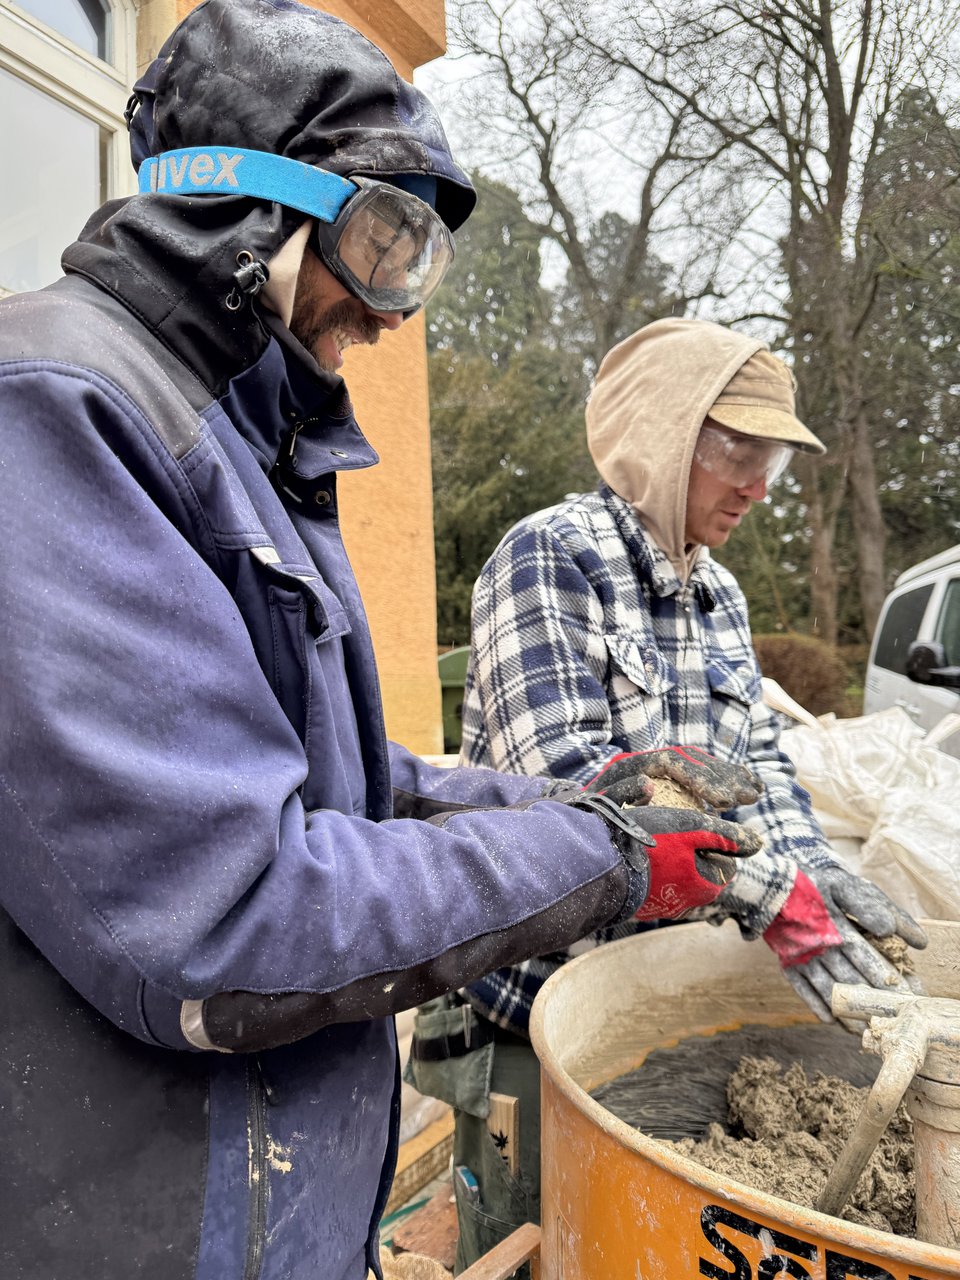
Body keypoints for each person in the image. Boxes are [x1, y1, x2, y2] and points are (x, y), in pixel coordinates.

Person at [0, 9, 771, 1280]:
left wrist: (575, 807)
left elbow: (346, 786)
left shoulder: (244, 451)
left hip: (280, 1211)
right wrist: (598, 859)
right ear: (241, 209)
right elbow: (230, 909)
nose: (394, 306)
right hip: (137, 1226)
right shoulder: (61, 416)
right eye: (383, 240)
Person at [436, 317, 926, 1270]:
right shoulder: (551, 559)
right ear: (663, 434)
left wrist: (814, 869)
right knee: (525, 1234)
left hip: (648, 993)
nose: (760, 482)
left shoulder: (723, 599)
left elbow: (763, 774)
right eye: (736, 448)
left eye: (770, 455)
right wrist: (769, 896)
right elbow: (575, 792)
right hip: (520, 1006)